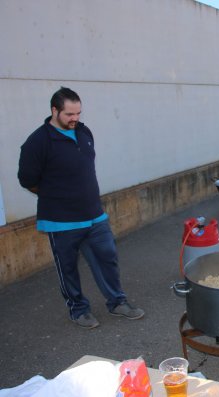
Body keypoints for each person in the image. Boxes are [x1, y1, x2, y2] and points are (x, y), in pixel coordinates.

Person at [18, 87, 144, 329]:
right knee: (68, 268)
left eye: (78, 113)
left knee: (108, 258)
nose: (75, 118)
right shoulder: (37, 142)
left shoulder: (84, 132)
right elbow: (27, 180)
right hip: (60, 220)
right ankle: (78, 309)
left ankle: (117, 302)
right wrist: (57, 195)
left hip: (94, 216)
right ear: (54, 111)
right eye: (69, 114)